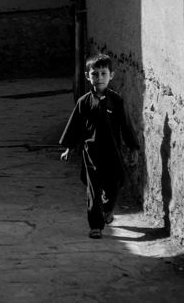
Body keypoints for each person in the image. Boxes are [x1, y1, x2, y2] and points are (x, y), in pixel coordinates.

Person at [59, 53, 140, 239]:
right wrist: (68, 148)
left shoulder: (117, 101)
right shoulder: (84, 102)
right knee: (93, 190)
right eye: (94, 74)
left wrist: (133, 147)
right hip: (91, 154)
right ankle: (96, 225)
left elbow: (126, 126)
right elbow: (75, 127)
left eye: (103, 73)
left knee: (115, 184)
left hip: (113, 152)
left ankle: (108, 209)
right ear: (88, 76)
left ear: (111, 75)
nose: (99, 78)